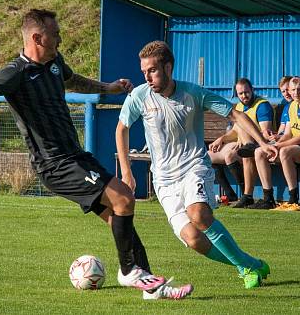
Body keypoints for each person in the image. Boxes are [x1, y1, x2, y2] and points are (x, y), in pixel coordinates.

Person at [0, 9, 191, 300]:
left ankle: (151, 287)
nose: (60, 37)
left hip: (75, 156)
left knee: (119, 219)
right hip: (55, 164)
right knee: (124, 197)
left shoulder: (54, 62)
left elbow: (73, 80)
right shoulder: (17, 71)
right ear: (37, 37)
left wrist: (108, 87)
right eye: (55, 34)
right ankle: (129, 271)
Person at [116, 40, 277, 289]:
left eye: (152, 71)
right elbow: (122, 129)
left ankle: (246, 267)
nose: (147, 78)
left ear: (168, 68)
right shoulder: (140, 96)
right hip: (164, 181)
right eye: (144, 72)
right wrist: (127, 172)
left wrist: (262, 143)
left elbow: (235, 114)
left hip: (194, 167)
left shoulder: (193, 93)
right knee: (194, 240)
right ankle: (249, 263)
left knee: (199, 215)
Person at [253, 76, 300, 209]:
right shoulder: (291, 106)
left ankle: (293, 197)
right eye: (293, 90)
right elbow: (287, 134)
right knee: (260, 151)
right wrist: (274, 146)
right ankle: (268, 197)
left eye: (299, 89)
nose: (296, 93)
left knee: (285, 151)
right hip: (299, 145)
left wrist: (279, 146)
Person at [210, 78, 274, 209]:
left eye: (247, 92)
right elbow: (234, 132)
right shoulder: (239, 107)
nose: (244, 96)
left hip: (260, 144)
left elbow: (265, 132)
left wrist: (245, 140)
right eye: (240, 93)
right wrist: (221, 139)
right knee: (208, 155)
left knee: (235, 155)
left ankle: (247, 195)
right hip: (242, 144)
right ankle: (230, 194)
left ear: (252, 90)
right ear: (236, 94)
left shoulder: (262, 105)